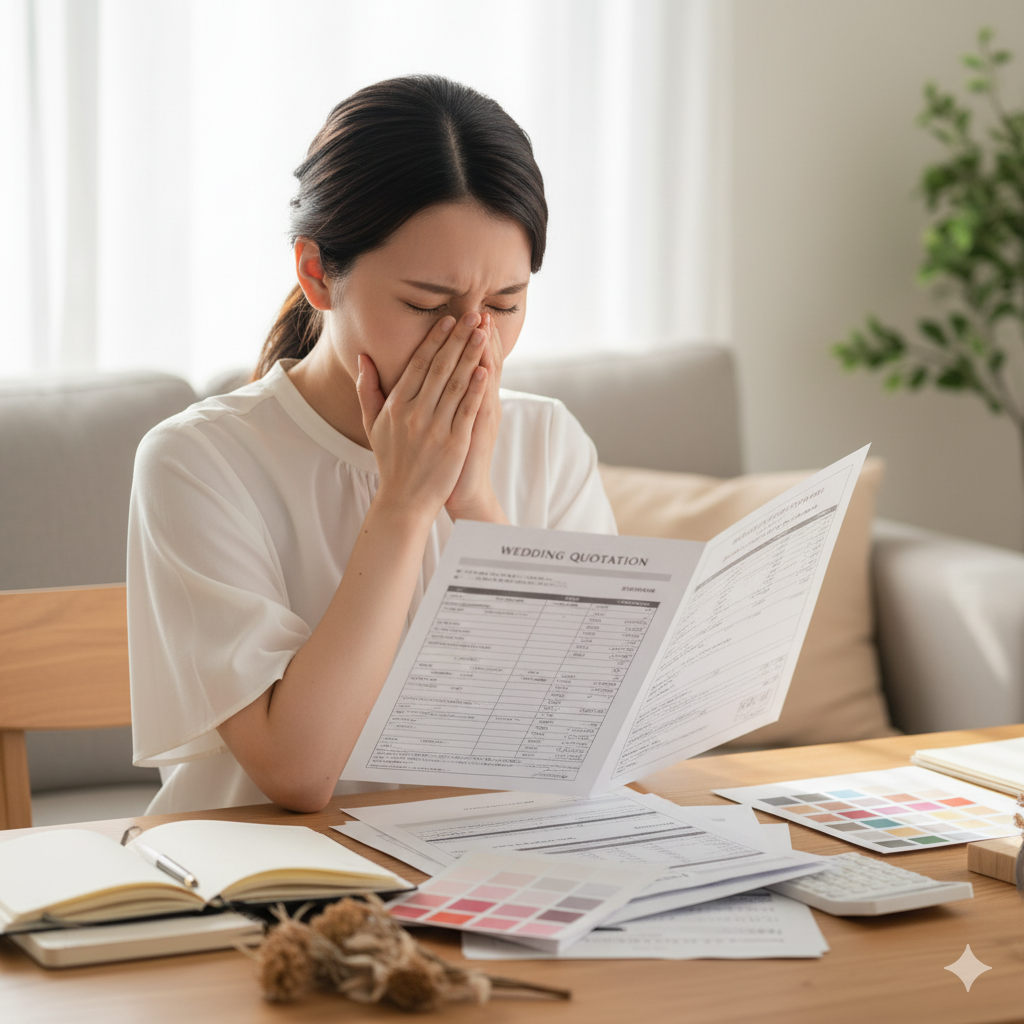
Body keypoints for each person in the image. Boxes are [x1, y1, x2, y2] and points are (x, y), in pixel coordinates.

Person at [128, 76, 616, 816]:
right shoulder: (200, 461)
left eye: (505, 304)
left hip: (483, 877)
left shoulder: (549, 442)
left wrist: (476, 502)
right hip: (277, 897)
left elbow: (580, 736)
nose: (475, 342)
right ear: (317, 273)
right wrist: (405, 505)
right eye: (426, 305)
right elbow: (297, 773)